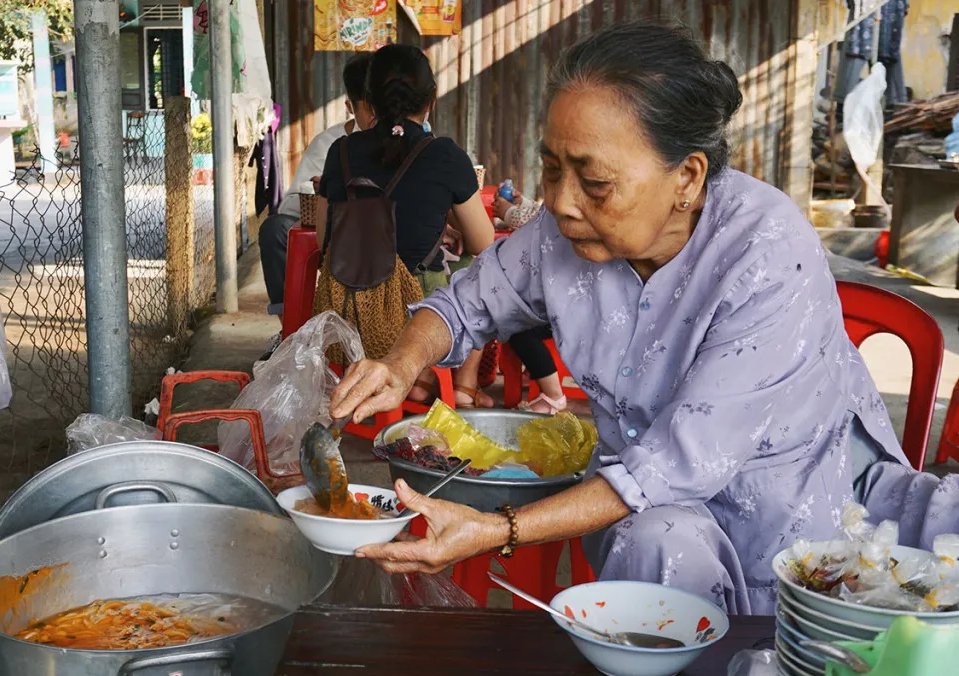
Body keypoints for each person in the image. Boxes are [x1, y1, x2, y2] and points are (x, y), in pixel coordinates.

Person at [327, 21, 959, 615]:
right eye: (551, 168)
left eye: (594, 183)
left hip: (787, 514)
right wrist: (400, 360)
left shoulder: (767, 253)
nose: (561, 203)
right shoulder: (562, 233)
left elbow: (672, 464)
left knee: (684, 561)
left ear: (686, 176)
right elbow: (466, 301)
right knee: (658, 544)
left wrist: (498, 530)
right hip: (647, 517)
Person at [314, 44, 495, 408]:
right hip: (412, 310)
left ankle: (420, 378)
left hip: (343, 312)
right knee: (483, 271)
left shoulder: (340, 151)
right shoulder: (445, 154)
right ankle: (453, 381)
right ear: (432, 98)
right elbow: (484, 244)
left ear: (369, 99)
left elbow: (324, 241)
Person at [258, 52, 376, 318]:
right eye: (369, 107)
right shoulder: (331, 143)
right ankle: (292, 329)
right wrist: (326, 190)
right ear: (350, 106)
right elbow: (290, 206)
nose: (376, 118)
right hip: (335, 236)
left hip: (391, 236)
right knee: (275, 230)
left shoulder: (412, 137)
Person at [492, 191, 566, 414]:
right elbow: (540, 212)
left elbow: (539, 221)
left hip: (570, 307)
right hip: (568, 301)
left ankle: (554, 397)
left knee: (518, 328)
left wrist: (509, 212)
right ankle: (533, 373)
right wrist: (522, 204)